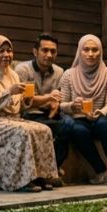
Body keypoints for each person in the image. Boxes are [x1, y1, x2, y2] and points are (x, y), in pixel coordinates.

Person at [0, 35, 59, 192]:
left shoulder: (12, 74)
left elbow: (17, 105)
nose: (6, 55)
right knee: (21, 132)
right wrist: (9, 92)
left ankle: (39, 176)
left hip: (8, 120)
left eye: (9, 51)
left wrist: (26, 100)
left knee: (43, 129)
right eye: (1, 51)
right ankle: (17, 182)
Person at [60, 34, 107, 188]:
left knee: (104, 125)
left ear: (100, 52)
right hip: (79, 118)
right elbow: (62, 104)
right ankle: (100, 171)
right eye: (86, 49)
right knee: (77, 130)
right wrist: (72, 106)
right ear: (79, 52)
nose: (90, 54)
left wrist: (100, 112)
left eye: (95, 50)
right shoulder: (68, 75)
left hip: (101, 117)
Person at [15, 33, 72, 182]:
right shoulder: (22, 70)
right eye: (45, 50)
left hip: (50, 114)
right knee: (43, 127)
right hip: (27, 114)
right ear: (35, 52)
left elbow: (57, 101)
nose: (49, 55)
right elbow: (24, 102)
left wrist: (52, 105)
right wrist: (48, 99)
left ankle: (53, 169)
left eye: (53, 51)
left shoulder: (60, 72)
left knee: (70, 125)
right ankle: (47, 173)